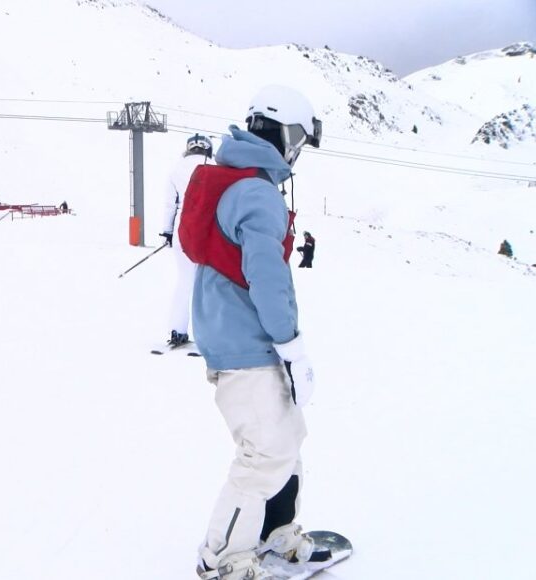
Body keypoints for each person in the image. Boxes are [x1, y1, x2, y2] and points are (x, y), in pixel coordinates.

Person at [188, 86, 327, 580]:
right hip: (249, 344)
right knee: (264, 454)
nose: (297, 153)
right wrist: (292, 346)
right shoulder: (257, 193)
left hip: (238, 335)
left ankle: (274, 531)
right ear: (287, 137)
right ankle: (222, 557)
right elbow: (268, 277)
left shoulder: (239, 182)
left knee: (287, 439)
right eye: (300, 142)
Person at [158, 134, 212, 348]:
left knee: (184, 281)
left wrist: (167, 231)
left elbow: (170, 204)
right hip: (208, 228)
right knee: (208, 283)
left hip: (183, 228)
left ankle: (177, 330)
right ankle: (208, 334)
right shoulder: (214, 166)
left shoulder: (176, 168)